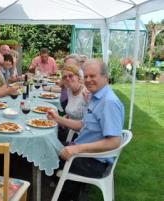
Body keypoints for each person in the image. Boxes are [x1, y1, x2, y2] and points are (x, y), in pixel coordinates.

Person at [47, 59, 124, 201]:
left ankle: (68, 191)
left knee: (47, 154)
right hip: (85, 153)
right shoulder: (96, 97)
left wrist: (77, 149)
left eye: (92, 76)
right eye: (86, 76)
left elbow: (114, 142)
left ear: (105, 77)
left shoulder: (108, 102)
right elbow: (83, 125)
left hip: (94, 162)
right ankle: (71, 188)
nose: (88, 80)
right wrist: (58, 118)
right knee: (48, 146)